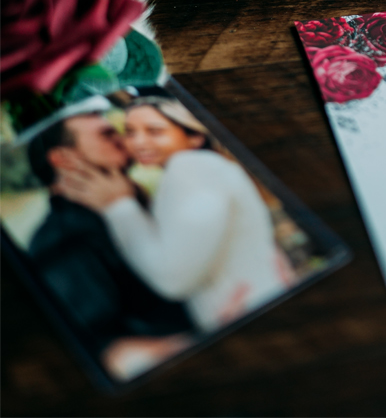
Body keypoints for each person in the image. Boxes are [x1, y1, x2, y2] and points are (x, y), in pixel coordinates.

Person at [54, 96, 294, 332]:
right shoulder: (194, 170)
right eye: (129, 132)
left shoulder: (190, 168)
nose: (137, 143)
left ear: (194, 136)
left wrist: (118, 206)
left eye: (155, 131)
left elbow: (173, 278)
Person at [27, 110, 194, 380]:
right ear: (63, 159)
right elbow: (107, 350)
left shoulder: (135, 202)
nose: (123, 139)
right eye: (107, 135)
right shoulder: (61, 238)